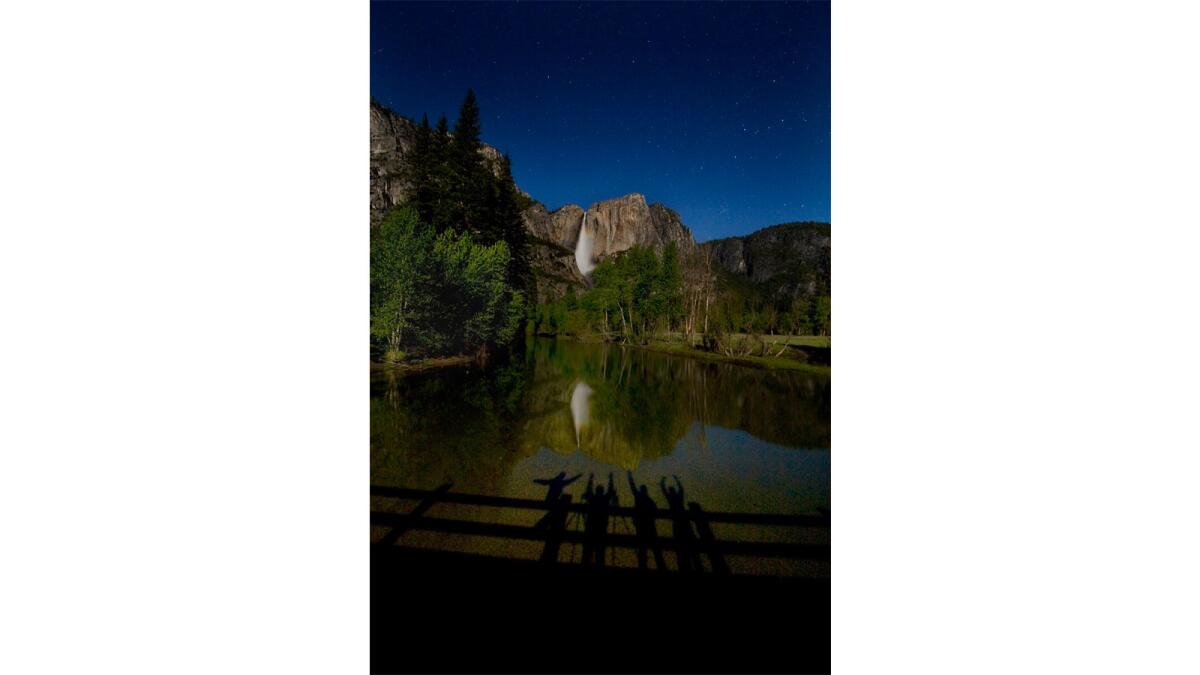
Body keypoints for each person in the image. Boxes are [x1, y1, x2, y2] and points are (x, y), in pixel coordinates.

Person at [660, 475, 701, 573]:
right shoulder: (678, 497)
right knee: (688, 543)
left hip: (678, 522)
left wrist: (663, 481)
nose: (671, 491)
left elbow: (664, 490)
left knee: (681, 545)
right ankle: (695, 564)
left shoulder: (672, 498)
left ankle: (686, 565)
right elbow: (680, 489)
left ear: (671, 491)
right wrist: (676, 480)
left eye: (671, 490)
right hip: (683, 522)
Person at [627, 471, 667, 571]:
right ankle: (660, 567)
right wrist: (629, 476)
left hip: (642, 525)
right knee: (652, 549)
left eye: (642, 489)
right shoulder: (649, 499)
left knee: (644, 549)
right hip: (648, 525)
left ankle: (644, 567)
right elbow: (656, 510)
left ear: (642, 490)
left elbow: (632, 486)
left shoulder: (641, 498)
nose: (642, 490)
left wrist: (629, 475)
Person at [581, 472, 618, 566]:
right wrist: (611, 478)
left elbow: (589, 489)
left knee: (588, 549)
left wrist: (590, 478)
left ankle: (586, 563)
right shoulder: (605, 498)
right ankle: (599, 564)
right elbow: (610, 489)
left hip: (590, 525)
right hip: (601, 526)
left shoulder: (592, 498)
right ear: (602, 490)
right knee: (600, 550)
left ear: (597, 490)